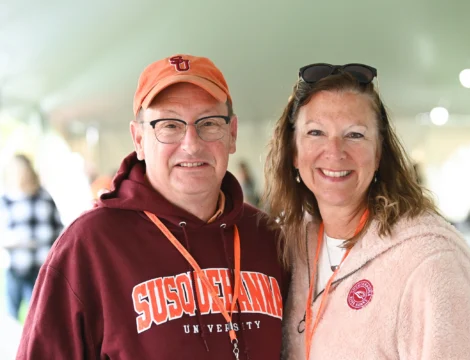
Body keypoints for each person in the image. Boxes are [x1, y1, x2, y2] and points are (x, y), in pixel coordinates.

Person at [17, 54, 288, 360]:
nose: (191, 144)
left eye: (209, 123)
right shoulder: (89, 245)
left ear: (232, 133)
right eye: (169, 125)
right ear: (139, 139)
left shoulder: (268, 238)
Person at [264, 63, 470, 359]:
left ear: (379, 153)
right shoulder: (289, 246)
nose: (334, 151)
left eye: (355, 135)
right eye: (316, 132)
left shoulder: (429, 260)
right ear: (293, 151)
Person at [0, 154, 63, 321]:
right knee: (10, 316)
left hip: (39, 267)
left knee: (38, 316)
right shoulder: (5, 200)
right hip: (14, 266)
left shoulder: (44, 197)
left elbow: (58, 229)